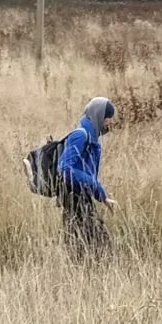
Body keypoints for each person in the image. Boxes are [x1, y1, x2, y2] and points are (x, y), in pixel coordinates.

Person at [56, 97, 117, 259]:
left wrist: (102, 196)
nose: (110, 122)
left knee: (82, 243)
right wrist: (94, 185)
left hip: (82, 197)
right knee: (99, 244)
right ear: (99, 116)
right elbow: (65, 168)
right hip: (74, 198)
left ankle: (82, 272)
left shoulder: (91, 138)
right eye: (108, 118)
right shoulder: (81, 136)